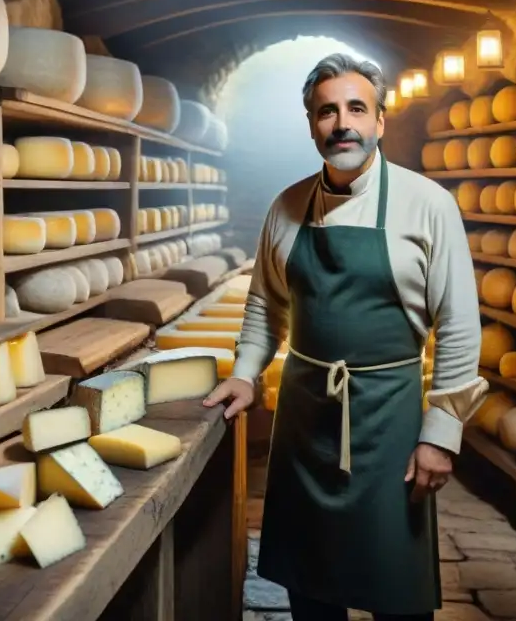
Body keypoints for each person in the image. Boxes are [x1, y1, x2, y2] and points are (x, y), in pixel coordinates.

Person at [204, 53, 487, 621]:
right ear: (311, 124)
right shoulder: (286, 207)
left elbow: (458, 322)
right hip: (305, 420)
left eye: (357, 108)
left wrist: (443, 430)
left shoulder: (427, 204)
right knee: (309, 584)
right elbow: (266, 301)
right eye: (326, 111)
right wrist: (244, 371)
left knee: (396, 586)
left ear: (380, 121)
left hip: (390, 421)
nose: (342, 124)